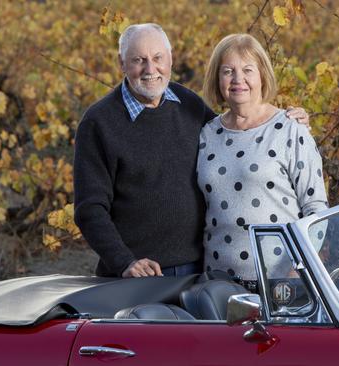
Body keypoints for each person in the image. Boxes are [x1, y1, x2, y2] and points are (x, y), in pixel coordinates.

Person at [74, 24, 309, 278]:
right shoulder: (99, 122)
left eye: (157, 58)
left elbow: (236, 136)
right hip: (137, 276)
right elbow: (90, 209)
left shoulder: (188, 104)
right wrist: (124, 262)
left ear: (171, 59)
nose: (150, 69)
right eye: (139, 60)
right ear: (122, 63)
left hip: (200, 270)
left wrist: (285, 122)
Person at [197, 34, 328, 280]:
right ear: (217, 78)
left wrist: (297, 272)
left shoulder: (291, 128)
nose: (238, 79)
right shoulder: (207, 134)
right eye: (228, 71)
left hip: (281, 282)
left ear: (262, 75)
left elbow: (317, 210)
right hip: (217, 284)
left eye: (248, 70)